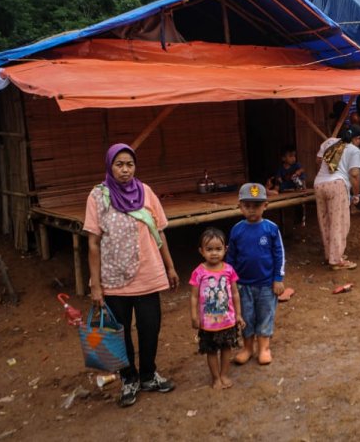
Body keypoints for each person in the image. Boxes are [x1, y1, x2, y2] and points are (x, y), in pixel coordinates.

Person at [84, 143, 179, 408]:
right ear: (109, 166)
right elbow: (93, 243)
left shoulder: (146, 192)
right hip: (113, 279)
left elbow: (160, 232)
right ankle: (129, 379)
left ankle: (148, 375)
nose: (125, 170)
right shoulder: (98, 197)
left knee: (151, 328)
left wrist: (170, 267)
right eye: (119, 164)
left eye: (130, 164)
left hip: (148, 274)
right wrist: (96, 286)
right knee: (120, 332)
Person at [227, 183, 286, 366]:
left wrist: (278, 278)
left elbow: (279, 254)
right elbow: (230, 258)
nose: (252, 210)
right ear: (240, 207)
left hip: (266, 285)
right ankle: (247, 348)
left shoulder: (271, 228)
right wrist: (229, 281)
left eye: (257, 205)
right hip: (242, 285)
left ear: (265, 206)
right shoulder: (237, 229)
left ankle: (264, 348)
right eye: (247, 206)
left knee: (265, 315)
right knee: (246, 316)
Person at [189, 227, 244, 389]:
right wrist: (194, 316)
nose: (214, 253)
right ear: (201, 251)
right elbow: (193, 296)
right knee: (211, 350)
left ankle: (224, 374)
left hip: (228, 320)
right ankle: (215, 378)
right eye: (209, 249)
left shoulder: (229, 270)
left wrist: (238, 315)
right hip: (208, 323)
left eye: (218, 249)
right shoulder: (198, 272)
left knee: (227, 347)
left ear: (225, 250)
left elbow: (235, 294)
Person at [313, 125, 360, 271]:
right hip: (337, 185)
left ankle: (331, 254)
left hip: (319, 184)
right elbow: (354, 174)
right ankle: (336, 259)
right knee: (339, 222)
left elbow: (318, 160)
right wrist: (355, 194)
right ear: (357, 138)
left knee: (325, 221)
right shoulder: (354, 150)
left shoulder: (329, 142)